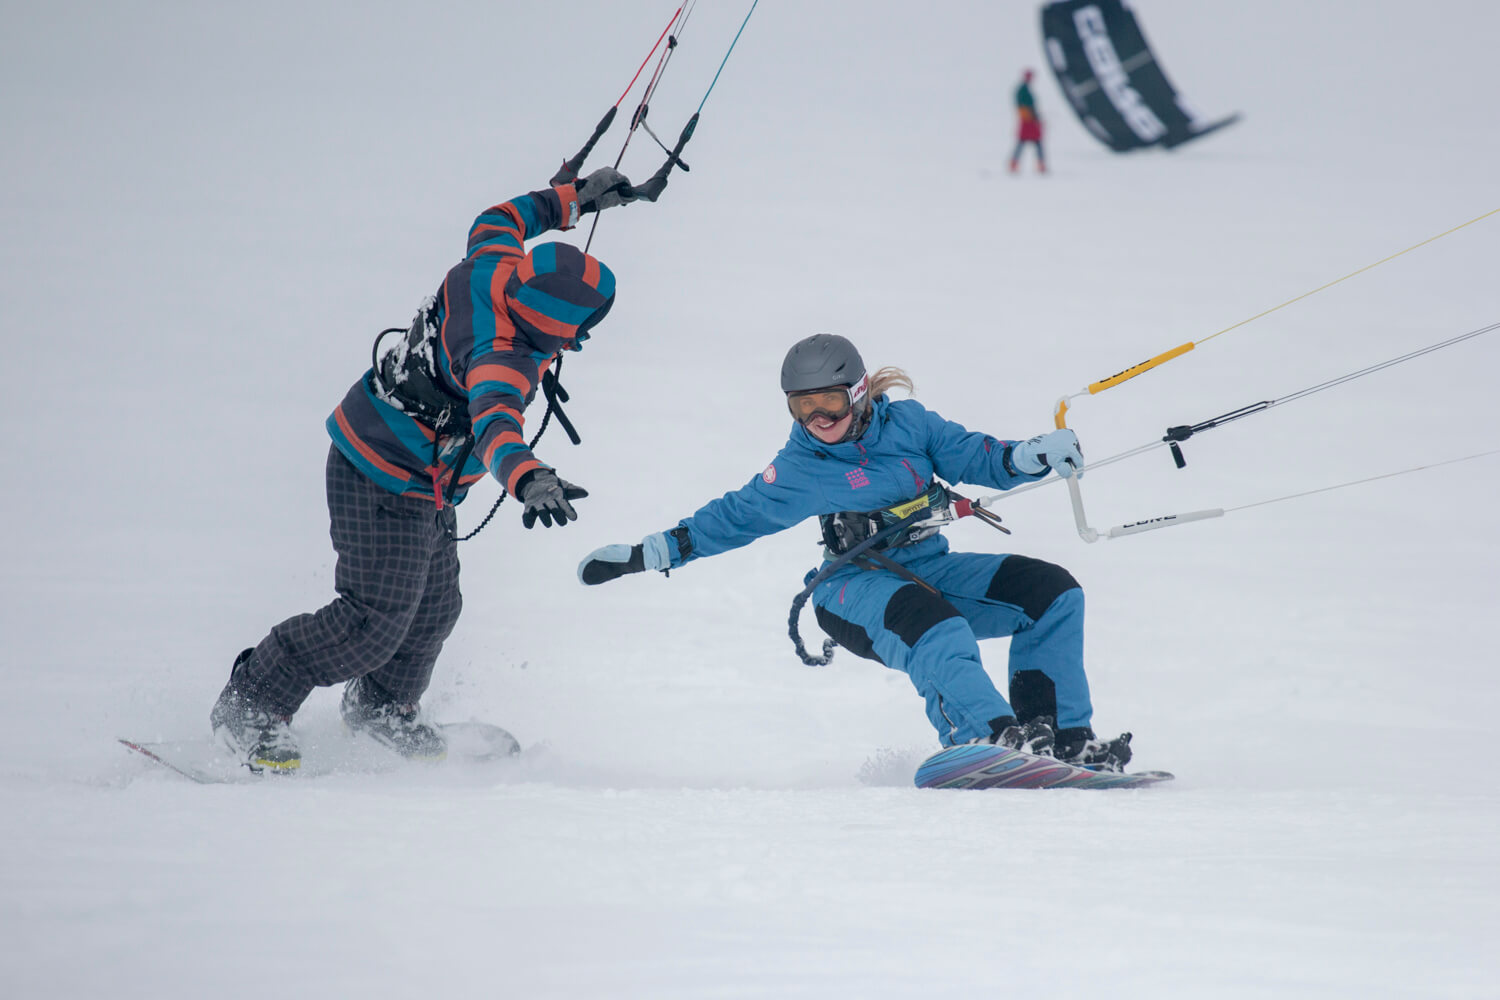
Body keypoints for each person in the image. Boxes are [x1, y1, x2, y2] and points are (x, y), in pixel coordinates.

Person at [211, 164, 662, 773]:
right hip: (378, 470)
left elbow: (499, 219)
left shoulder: (495, 267)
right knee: (374, 619)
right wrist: (529, 479)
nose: (583, 340)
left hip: (422, 480)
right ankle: (251, 704)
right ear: (557, 328)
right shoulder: (500, 358)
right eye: (582, 328)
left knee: (433, 608)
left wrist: (572, 200)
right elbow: (498, 425)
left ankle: (381, 708)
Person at [578, 334, 1134, 770]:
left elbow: (979, 457)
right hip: (851, 590)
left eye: (830, 403)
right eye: (802, 407)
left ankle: (1060, 738)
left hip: (929, 568)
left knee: (1051, 593)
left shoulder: (911, 425)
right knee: (936, 628)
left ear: (861, 393)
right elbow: (734, 516)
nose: (819, 420)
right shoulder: (800, 466)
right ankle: (989, 737)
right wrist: (650, 553)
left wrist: (1028, 456)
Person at [1009, 68, 1046, 174]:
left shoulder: (1025, 89)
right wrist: (1031, 116)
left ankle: (1040, 164)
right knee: (1025, 142)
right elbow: (1022, 106)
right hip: (1028, 121)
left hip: (1031, 120)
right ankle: (1014, 164)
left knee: (1032, 143)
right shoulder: (1022, 90)